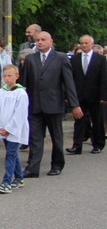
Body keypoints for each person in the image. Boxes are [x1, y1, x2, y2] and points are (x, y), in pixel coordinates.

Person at [19, 31, 82, 177]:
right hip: (34, 104)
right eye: (38, 40)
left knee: (56, 136)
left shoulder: (60, 58)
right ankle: (33, 168)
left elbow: (69, 83)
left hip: (53, 104)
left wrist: (74, 104)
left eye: (43, 40)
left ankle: (57, 164)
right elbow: (25, 83)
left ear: (51, 41)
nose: (40, 42)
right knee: (35, 138)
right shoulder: (30, 59)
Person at [67, 35, 107, 154]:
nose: (84, 45)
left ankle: (98, 144)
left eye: (86, 43)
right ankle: (77, 146)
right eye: (82, 43)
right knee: (79, 121)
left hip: (95, 96)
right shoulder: (74, 59)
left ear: (92, 44)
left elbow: (104, 79)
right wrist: (70, 96)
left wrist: (104, 96)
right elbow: (71, 78)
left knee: (97, 120)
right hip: (79, 95)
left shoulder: (100, 59)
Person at [0, 65, 30, 193]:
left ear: (16, 76)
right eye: (5, 76)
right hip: (3, 129)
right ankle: (19, 178)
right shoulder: (1, 92)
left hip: (15, 130)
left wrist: (9, 129)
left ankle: (6, 182)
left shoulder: (21, 93)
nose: (7, 78)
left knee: (10, 154)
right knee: (12, 154)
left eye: (10, 76)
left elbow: (20, 114)